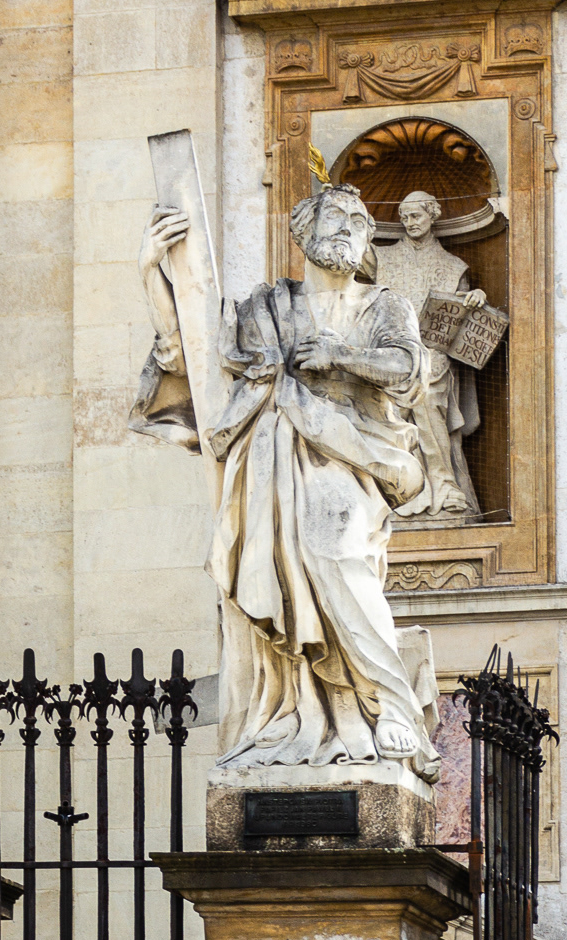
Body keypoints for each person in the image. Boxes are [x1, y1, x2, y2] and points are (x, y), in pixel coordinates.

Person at [134, 178, 439, 778]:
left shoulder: (383, 305)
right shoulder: (265, 309)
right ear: (303, 233)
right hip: (271, 460)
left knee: (337, 555)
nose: (351, 228)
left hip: (352, 454)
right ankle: (309, 715)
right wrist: (151, 274)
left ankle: (390, 703)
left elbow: (409, 369)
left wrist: (341, 356)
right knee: (274, 577)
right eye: (338, 217)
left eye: (360, 221)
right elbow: (191, 352)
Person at [374, 189, 485, 517]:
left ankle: (445, 486)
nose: (409, 222)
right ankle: (396, 489)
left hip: (433, 359)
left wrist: (477, 296)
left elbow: (463, 315)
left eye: (416, 215)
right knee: (389, 416)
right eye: (404, 217)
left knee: (429, 407)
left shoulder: (453, 266)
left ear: (432, 215)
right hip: (392, 355)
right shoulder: (383, 257)